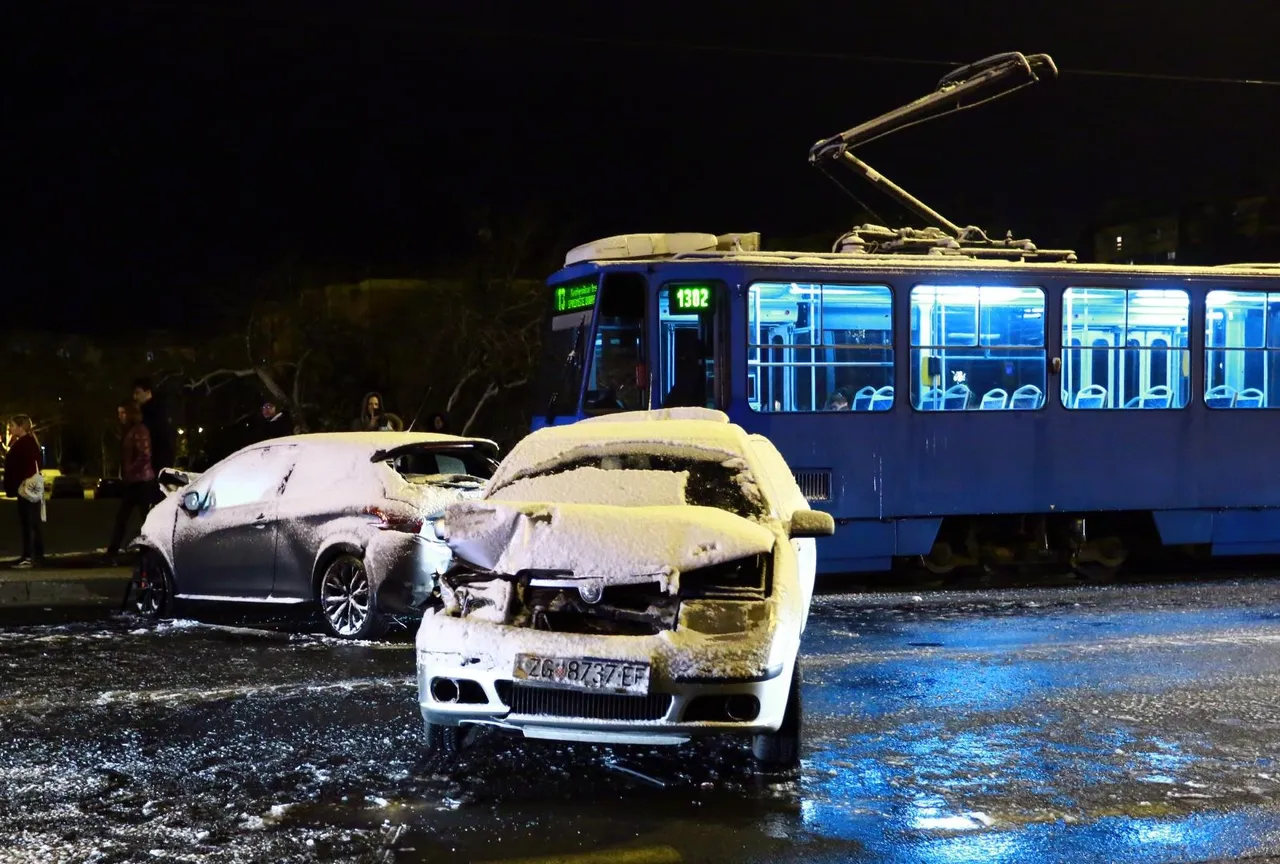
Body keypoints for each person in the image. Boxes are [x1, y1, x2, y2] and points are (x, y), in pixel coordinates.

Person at [106, 402, 154, 566]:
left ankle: (146, 552)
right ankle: (114, 552)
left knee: (142, 518)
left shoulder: (139, 430)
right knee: (124, 517)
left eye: (122, 413)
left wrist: (129, 470)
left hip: (141, 481)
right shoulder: (131, 430)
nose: (120, 416)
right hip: (135, 480)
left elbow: (144, 455)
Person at [4, 415, 44, 568]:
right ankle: (35, 554)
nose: (10, 428)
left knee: (28, 522)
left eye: (12, 425)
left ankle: (29, 556)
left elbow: (20, 465)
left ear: (21, 427)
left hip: (25, 488)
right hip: (26, 487)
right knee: (31, 522)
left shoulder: (24, 443)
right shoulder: (29, 442)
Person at [133, 378, 174, 503]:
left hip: (156, 460)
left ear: (147, 392)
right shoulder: (153, 410)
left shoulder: (152, 412)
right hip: (157, 460)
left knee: (156, 495)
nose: (135, 397)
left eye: (138, 392)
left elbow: (155, 436)